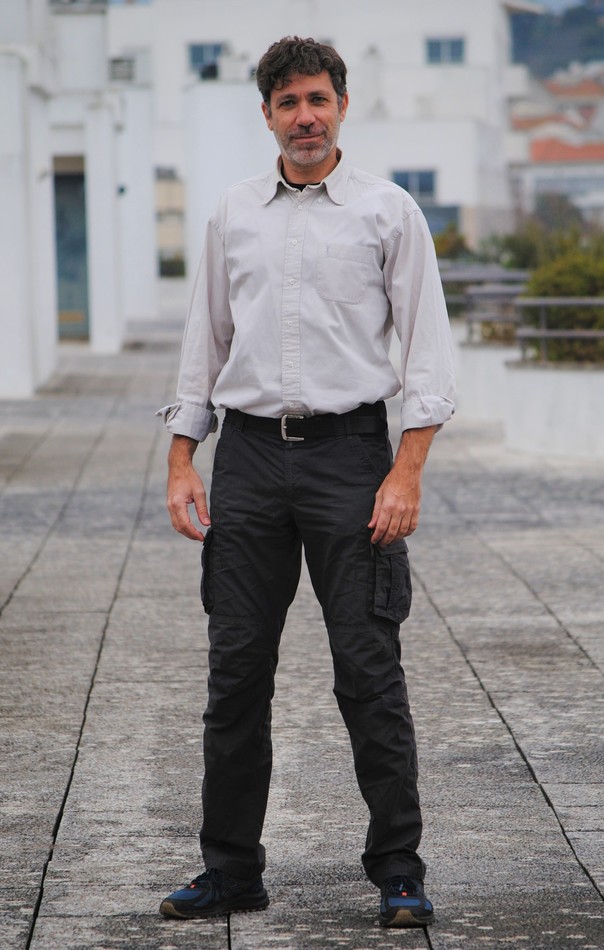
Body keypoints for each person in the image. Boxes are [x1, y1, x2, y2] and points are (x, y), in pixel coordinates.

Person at [157, 36, 454, 929]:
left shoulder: (387, 212)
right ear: (267, 115)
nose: (305, 117)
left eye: (318, 99)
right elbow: (205, 340)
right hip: (248, 461)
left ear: (342, 105)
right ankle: (230, 871)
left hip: (351, 459)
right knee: (236, 675)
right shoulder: (233, 214)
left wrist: (405, 471)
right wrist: (182, 457)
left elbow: (427, 353)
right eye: (288, 103)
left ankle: (399, 871)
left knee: (369, 671)